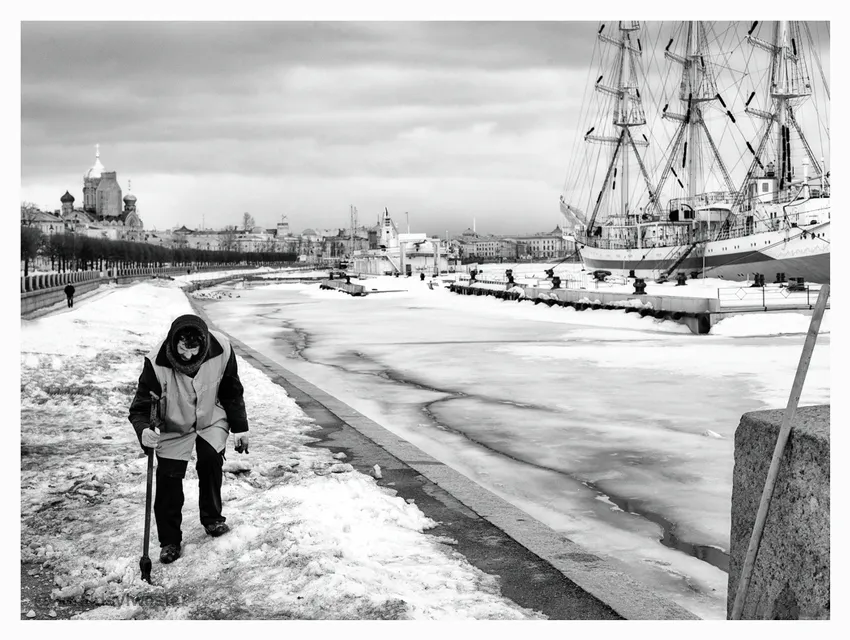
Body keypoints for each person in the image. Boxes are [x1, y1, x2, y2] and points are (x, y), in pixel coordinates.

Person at [128, 314, 249, 564]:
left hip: (210, 417)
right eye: (182, 349)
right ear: (174, 342)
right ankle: (170, 541)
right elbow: (139, 410)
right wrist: (143, 431)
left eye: (194, 351)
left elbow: (231, 389)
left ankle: (213, 519)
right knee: (169, 480)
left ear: (203, 344)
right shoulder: (156, 363)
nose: (188, 357)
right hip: (174, 425)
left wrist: (240, 427)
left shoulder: (222, 349)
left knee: (210, 461)